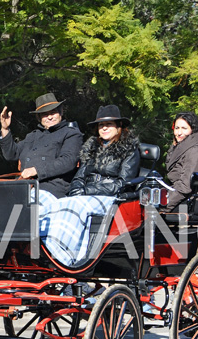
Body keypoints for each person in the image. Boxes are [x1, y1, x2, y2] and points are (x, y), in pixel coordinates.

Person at [43, 105, 141, 266]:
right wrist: (76, 190)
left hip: (112, 198)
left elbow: (122, 183)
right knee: (60, 203)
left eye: (109, 124)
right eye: (101, 125)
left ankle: (66, 255)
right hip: (86, 196)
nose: (104, 128)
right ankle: (50, 246)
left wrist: (88, 191)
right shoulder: (91, 149)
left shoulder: (129, 150)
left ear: (119, 127)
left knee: (75, 204)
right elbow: (79, 176)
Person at [0, 93, 83, 198]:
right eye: (45, 114)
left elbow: (67, 161)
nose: (50, 117)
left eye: (53, 112)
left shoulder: (71, 133)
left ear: (60, 112)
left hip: (51, 189)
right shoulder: (32, 136)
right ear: (39, 117)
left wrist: (36, 170)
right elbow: (11, 154)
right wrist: (5, 129)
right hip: (23, 187)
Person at [163, 112, 198, 212]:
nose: (179, 133)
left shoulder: (197, 150)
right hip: (179, 199)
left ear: (193, 130)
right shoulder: (178, 148)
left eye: (184, 128)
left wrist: (164, 205)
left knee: (147, 215)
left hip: (192, 202)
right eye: (177, 128)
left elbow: (185, 186)